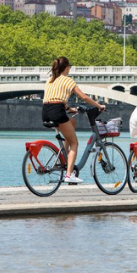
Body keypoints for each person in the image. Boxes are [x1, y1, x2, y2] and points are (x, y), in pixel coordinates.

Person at [42, 56, 105, 184]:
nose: (70, 69)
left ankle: (64, 157)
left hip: (45, 111)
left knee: (72, 123)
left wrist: (69, 109)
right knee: (75, 143)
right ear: (66, 68)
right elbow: (83, 97)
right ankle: (69, 175)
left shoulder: (50, 80)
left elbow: (54, 98)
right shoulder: (68, 81)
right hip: (57, 111)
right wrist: (99, 106)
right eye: (69, 67)